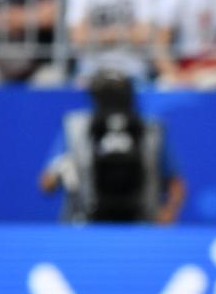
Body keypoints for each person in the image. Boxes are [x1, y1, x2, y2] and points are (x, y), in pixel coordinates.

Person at [39, 71, 186, 223]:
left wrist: (168, 212)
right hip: (87, 226)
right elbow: (47, 184)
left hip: (141, 227)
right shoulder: (75, 128)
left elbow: (175, 183)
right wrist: (63, 170)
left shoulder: (151, 129)